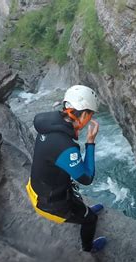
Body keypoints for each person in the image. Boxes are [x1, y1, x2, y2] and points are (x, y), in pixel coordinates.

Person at [26, 85, 107, 253]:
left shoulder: (46, 122)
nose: (90, 118)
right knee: (90, 219)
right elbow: (86, 178)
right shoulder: (65, 146)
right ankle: (88, 248)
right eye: (90, 114)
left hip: (40, 187)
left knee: (77, 202)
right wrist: (90, 141)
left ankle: (83, 209)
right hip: (50, 203)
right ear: (84, 114)